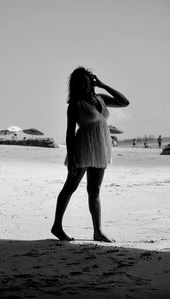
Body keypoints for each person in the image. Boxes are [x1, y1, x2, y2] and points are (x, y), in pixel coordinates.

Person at [51, 67, 129, 242]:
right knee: (70, 186)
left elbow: (124, 102)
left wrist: (103, 85)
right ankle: (57, 226)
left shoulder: (100, 98)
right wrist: (71, 158)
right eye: (79, 82)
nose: (83, 85)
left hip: (100, 147)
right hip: (82, 147)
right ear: (74, 85)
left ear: (91, 82)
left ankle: (97, 231)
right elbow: (70, 132)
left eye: (86, 81)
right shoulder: (75, 104)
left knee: (94, 190)